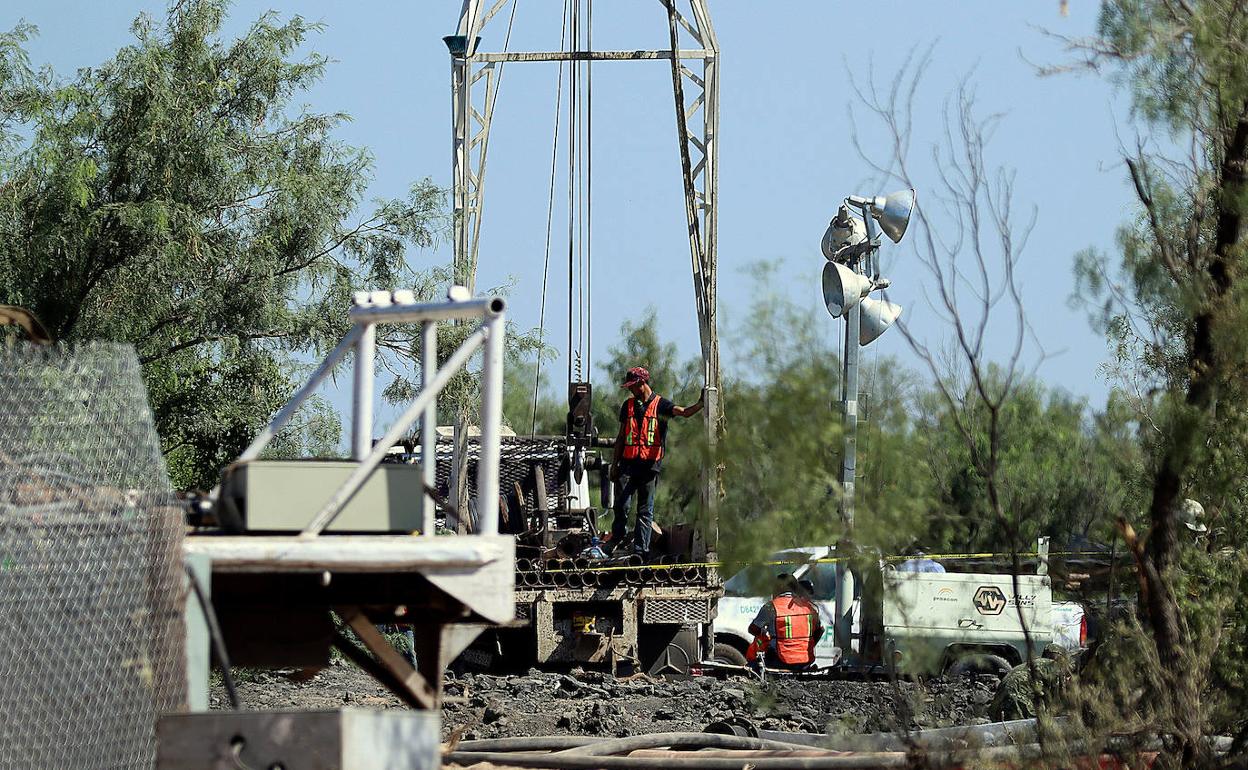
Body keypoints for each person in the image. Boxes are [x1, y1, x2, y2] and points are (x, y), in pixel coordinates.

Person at [608, 366, 704, 558]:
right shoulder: (627, 407)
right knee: (621, 505)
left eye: (632, 386)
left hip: (649, 467)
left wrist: (701, 403)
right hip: (627, 465)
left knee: (644, 510)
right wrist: (614, 464)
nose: (630, 390)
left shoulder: (661, 405)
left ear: (641, 384)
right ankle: (617, 538)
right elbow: (620, 438)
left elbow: (683, 412)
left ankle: (640, 551)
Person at [746, 574, 824, 671]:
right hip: (805, 661)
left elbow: (753, 629)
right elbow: (820, 630)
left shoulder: (771, 606)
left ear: (780, 587)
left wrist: (765, 633)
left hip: (780, 661)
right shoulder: (809, 607)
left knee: (751, 666)